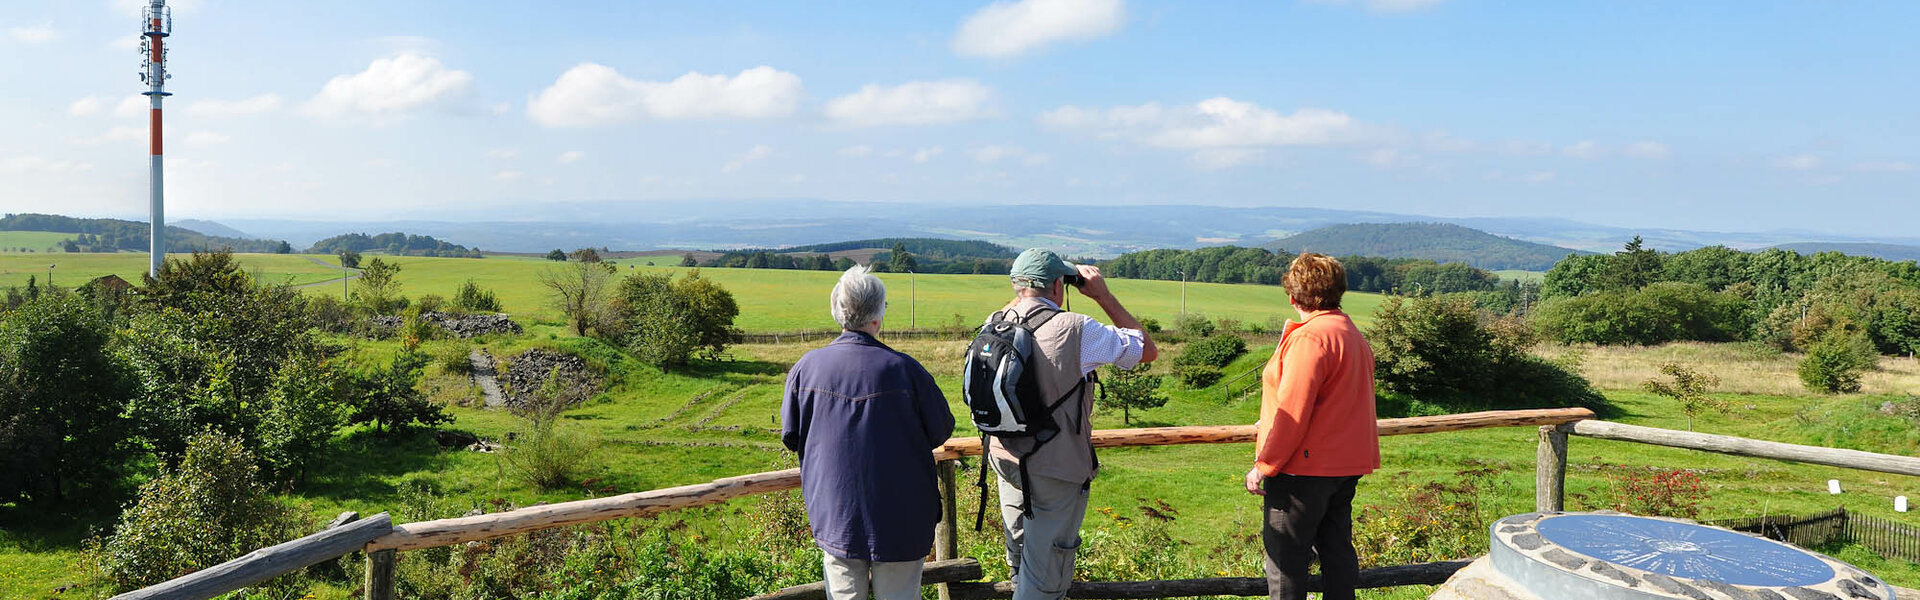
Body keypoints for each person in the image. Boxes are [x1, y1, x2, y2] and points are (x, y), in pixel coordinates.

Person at [988, 248, 1157, 600]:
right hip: (1055, 465)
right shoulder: (1075, 330)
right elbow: (1146, 349)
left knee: (1021, 557)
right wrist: (1102, 295)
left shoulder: (996, 320)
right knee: (1047, 571)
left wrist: (1029, 287)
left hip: (1005, 456)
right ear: (1056, 287)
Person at [781, 265, 955, 600]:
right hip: (903, 516)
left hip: (836, 514)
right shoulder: (905, 370)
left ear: (838, 313)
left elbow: (792, 436)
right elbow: (941, 430)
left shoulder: (806, 368)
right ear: (877, 316)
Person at [1244, 253, 1380, 600]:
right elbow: (1334, 400)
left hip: (1302, 471)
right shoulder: (1349, 332)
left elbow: (1294, 410)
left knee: (1285, 563)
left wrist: (1264, 464)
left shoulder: (1310, 339)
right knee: (1337, 555)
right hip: (1344, 464)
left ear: (1292, 295)